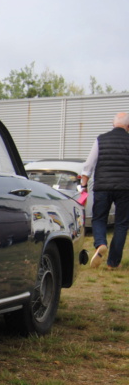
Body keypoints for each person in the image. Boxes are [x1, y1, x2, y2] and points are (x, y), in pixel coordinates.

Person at [80, 112, 129, 270]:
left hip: (102, 187)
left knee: (99, 219)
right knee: (121, 224)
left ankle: (100, 243)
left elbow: (88, 165)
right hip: (125, 188)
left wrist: (84, 186)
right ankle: (113, 263)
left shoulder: (100, 139)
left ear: (112, 123)